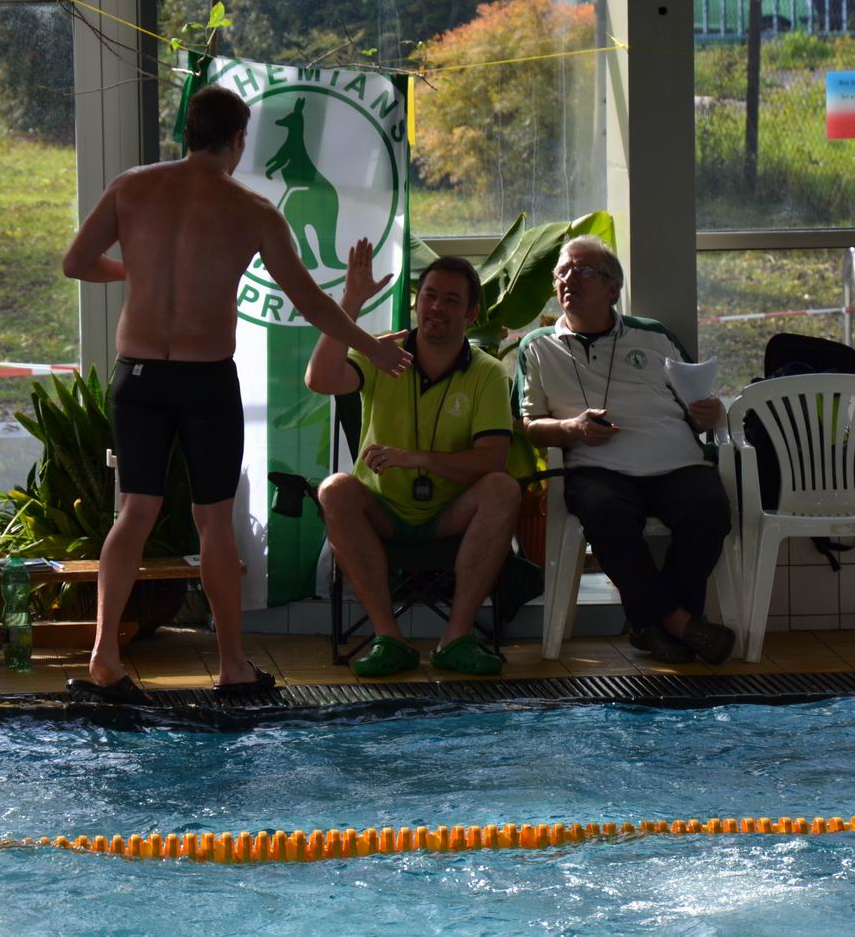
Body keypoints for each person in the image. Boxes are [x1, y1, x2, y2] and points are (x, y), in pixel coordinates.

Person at [61, 85, 412, 702]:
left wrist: (136, 270)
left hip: (138, 376)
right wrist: (373, 347)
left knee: (135, 513)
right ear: (238, 139)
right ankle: (231, 665)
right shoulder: (252, 211)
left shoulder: (130, 187)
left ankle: (103, 657)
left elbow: (76, 262)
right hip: (204, 380)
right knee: (213, 521)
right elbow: (310, 303)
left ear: (187, 132)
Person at [516, 236, 736, 664]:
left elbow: (695, 404)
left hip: (676, 464)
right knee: (606, 516)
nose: (568, 279)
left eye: (582, 271)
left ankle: (652, 625)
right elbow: (529, 426)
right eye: (562, 271)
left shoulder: (653, 336)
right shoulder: (539, 347)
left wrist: (709, 413)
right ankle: (680, 624)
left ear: (612, 289)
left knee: (710, 509)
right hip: (597, 468)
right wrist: (572, 428)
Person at [305, 249, 520, 677]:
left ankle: (456, 638)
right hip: (382, 512)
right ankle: (389, 638)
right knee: (334, 489)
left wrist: (416, 459)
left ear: (471, 314)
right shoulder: (382, 352)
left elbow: (492, 460)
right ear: (417, 302)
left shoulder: (488, 372)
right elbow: (320, 379)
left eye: (451, 300)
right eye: (429, 296)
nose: (437, 307)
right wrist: (352, 300)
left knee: (503, 488)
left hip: (448, 515)